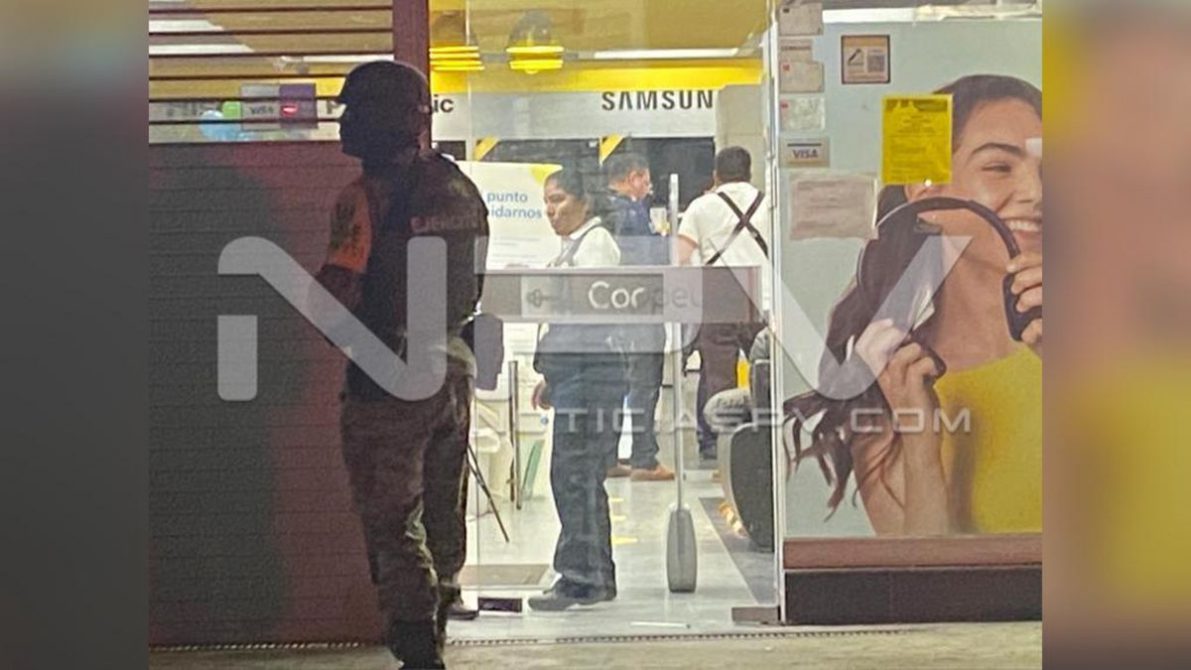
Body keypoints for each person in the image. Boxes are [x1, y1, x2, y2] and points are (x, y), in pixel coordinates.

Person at [786, 75, 1044, 537]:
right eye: (999, 167)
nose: (1037, 193)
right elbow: (923, 572)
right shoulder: (894, 386)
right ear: (927, 195)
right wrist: (921, 443)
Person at [311, 61, 489, 669]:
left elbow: (337, 292)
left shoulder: (364, 198)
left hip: (390, 374)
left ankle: (417, 649)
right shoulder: (460, 189)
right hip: (454, 368)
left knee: (391, 522)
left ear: (382, 119)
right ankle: (436, 622)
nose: (346, 123)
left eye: (354, 111)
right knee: (442, 513)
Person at [529, 168, 627, 611]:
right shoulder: (576, 246)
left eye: (559, 200)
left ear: (584, 202)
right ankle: (590, 574)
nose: (551, 210)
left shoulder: (596, 246)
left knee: (575, 476)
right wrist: (553, 375)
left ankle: (582, 578)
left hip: (591, 376)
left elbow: (588, 314)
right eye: (547, 202)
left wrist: (562, 369)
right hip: (576, 375)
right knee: (575, 476)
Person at [677, 147, 772, 463]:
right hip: (761, 293)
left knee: (717, 372)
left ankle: (716, 443)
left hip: (718, 293)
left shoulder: (701, 207)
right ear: (749, 172)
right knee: (765, 370)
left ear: (716, 175)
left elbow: (682, 257)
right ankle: (765, 435)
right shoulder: (768, 204)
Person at [601, 153, 674, 482]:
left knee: (616, 384)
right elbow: (650, 258)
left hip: (613, 310)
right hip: (640, 308)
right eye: (645, 180)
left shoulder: (601, 210)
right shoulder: (632, 213)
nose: (648, 187)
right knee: (644, 384)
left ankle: (608, 456)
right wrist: (665, 243)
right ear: (633, 178)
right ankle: (645, 458)